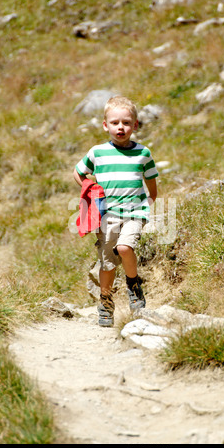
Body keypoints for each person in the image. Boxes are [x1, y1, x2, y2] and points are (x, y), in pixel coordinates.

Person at [73, 96, 158, 327]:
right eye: (115, 123)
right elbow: (79, 172)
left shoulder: (143, 153)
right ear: (105, 125)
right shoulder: (97, 153)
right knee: (107, 264)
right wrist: (88, 188)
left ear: (136, 125)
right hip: (106, 216)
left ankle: (133, 285)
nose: (121, 127)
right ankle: (106, 302)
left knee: (124, 247)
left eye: (126, 122)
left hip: (134, 213)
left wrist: (146, 204)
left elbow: (151, 184)